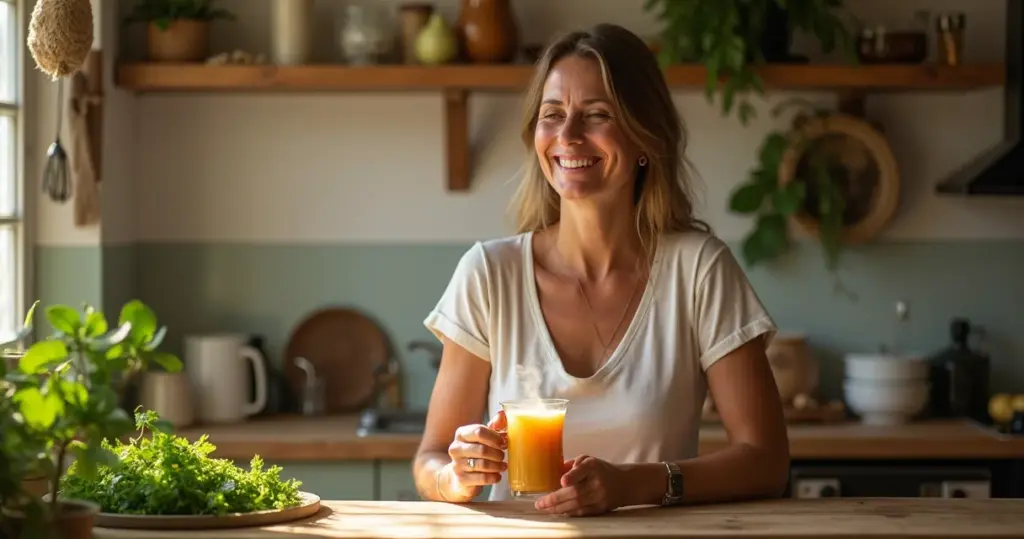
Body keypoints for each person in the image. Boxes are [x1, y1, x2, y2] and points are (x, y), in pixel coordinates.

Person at [412, 23, 789, 517]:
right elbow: (430, 458)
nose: (567, 136)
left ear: (643, 138)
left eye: (597, 115)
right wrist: (455, 476)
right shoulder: (489, 273)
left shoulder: (699, 270)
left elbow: (766, 461)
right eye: (553, 115)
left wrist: (634, 485)